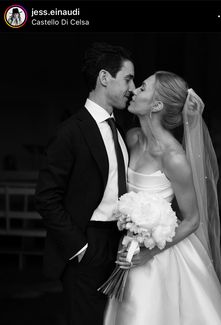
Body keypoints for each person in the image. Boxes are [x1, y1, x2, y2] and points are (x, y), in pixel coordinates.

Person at [104, 71, 221, 324]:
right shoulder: (132, 138)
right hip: (128, 248)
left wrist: (149, 253)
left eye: (143, 87)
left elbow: (193, 219)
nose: (135, 91)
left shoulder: (173, 158)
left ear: (156, 105)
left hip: (160, 256)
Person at [35, 42, 135, 325]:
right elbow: (46, 197)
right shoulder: (70, 131)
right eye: (128, 78)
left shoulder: (120, 129)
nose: (132, 87)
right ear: (104, 77)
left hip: (118, 246)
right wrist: (81, 249)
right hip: (86, 245)